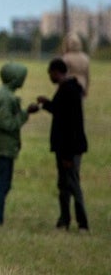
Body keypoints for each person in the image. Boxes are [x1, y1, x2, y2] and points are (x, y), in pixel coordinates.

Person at [0, 62, 39, 225]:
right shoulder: (6, 98)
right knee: (4, 183)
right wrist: (25, 114)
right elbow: (6, 123)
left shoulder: (0, 93)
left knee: (4, 182)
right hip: (4, 146)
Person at [37, 58, 89, 232]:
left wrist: (67, 155)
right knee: (63, 185)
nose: (49, 76)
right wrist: (46, 104)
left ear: (56, 72)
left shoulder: (68, 91)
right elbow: (59, 111)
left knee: (72, 183)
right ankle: (64, 219)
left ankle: (82, 223)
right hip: (66, 147)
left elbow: (70, 125)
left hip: (69, 148)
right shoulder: (68, 89)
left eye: (50, 73)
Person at [61, 33, 90, 97]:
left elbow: (63, 75)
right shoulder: (85, 57)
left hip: (69, 86)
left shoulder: (66, 58)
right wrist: (86, 89)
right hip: (82, 84)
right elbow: (87, 75)